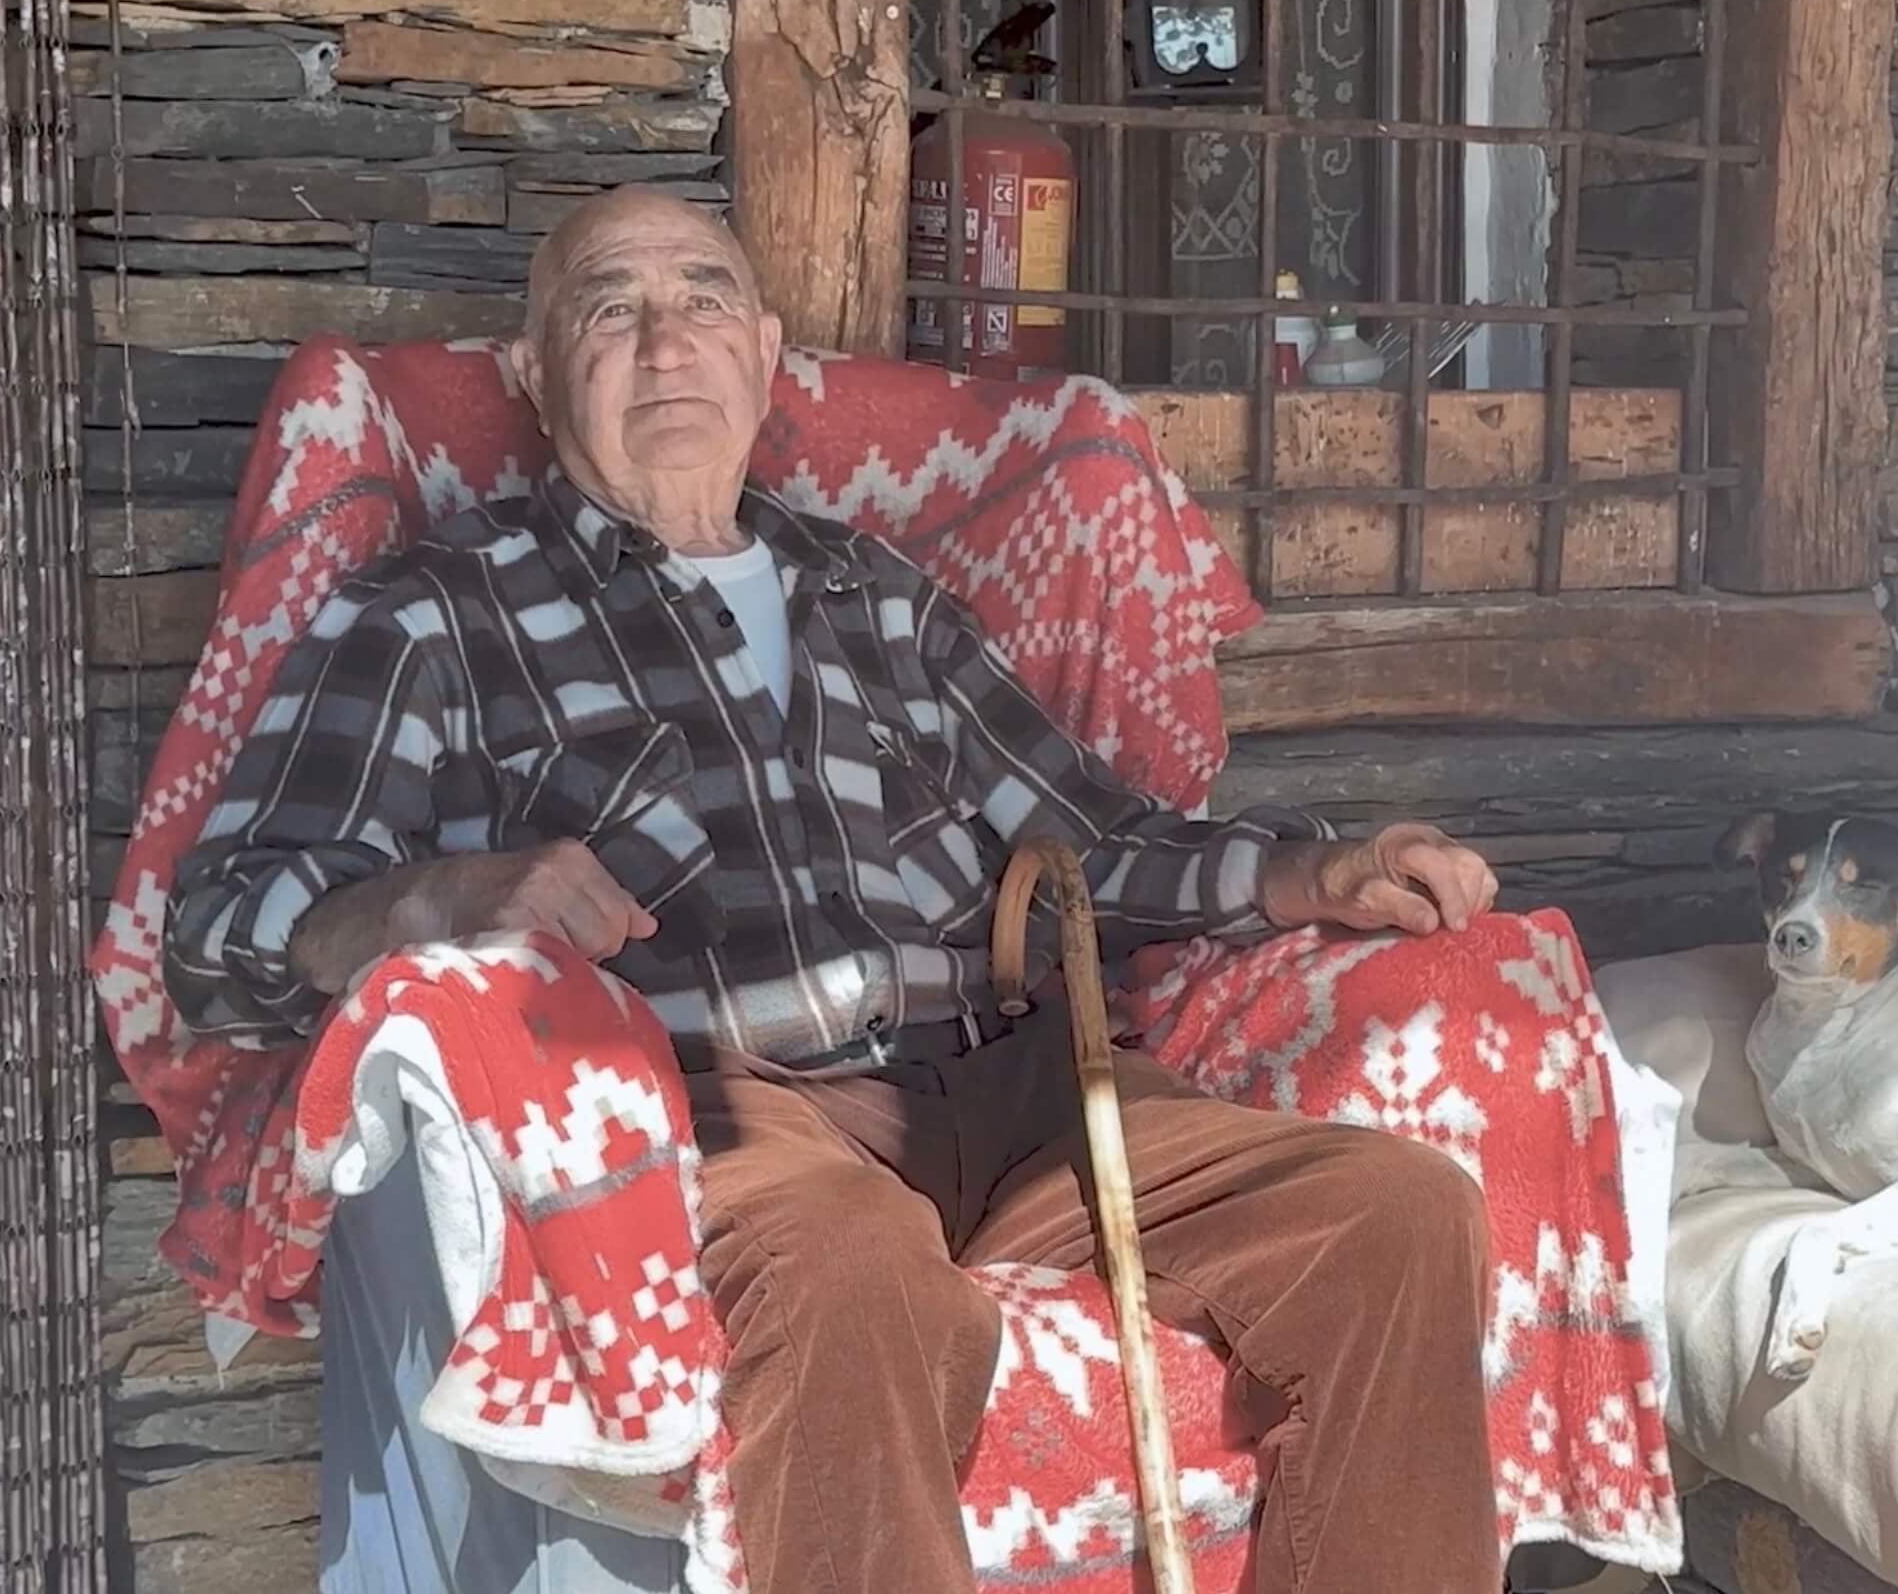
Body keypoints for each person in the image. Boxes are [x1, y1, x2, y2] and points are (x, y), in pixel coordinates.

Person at [168, 186, 1511, 1593]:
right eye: (609, 305)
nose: (665, 339)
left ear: (764, 348)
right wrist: (436, 900)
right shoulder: (437, 611)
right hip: (731, 1111)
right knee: (853, 1271)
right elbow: (219, 939)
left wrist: (1321, 875)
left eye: (700, 298)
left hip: (1012, 1097)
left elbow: (1087, 846)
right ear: (532, 368)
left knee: (1399, 1216)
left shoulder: (880, 594)